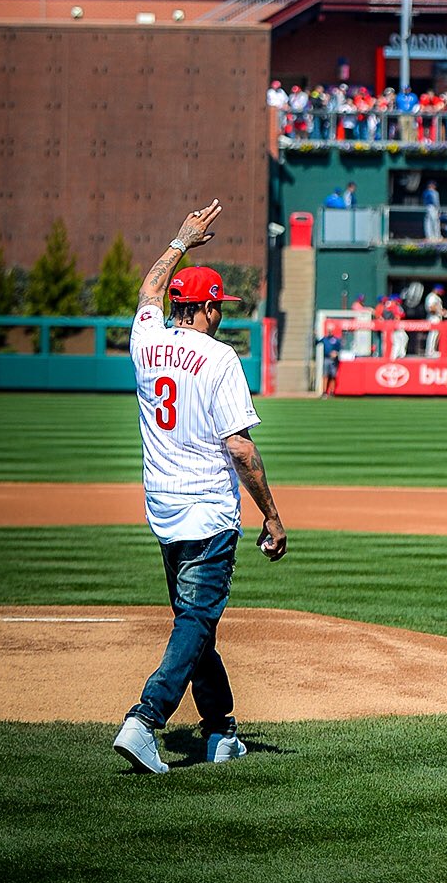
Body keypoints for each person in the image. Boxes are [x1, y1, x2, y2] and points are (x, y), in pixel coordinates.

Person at [113, 199, 286, 776]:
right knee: (196, 619)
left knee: (196, 620)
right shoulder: (219, 360)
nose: (222, 317)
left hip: (162, 508)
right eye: (220, 308)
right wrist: (273, 515)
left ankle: (220, 730)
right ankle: (146, 718)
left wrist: (180, 240)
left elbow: (145, 296)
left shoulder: (144, 343)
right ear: (209, 309)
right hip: (209, 510)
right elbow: (240, 448)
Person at [320, 327, 342, 395]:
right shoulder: (325, 339)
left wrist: (336, 353)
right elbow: (317, 342)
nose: (329, 332)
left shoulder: (335, 340)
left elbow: (339, 347)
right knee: (325, 375)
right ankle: (324, 392)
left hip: (333, 360)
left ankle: (332, 391)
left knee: (333, 375)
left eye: (330, 331)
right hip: (326, 358)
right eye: (328, 330)